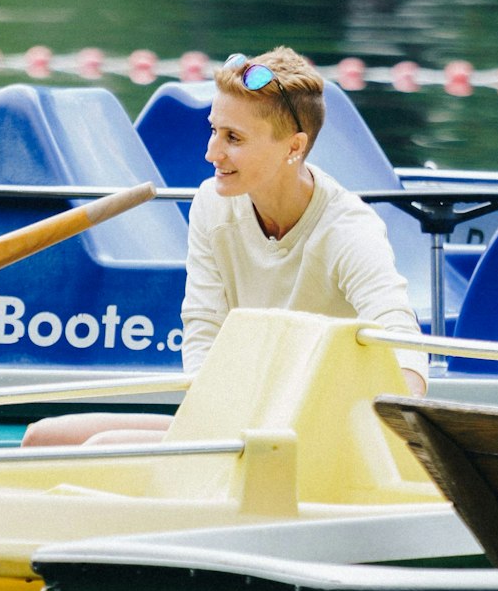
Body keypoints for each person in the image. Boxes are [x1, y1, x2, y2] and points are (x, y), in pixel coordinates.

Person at [22, 47, 426, 446]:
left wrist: (392, 434)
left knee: (103, 449)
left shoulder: (348, 229)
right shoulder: (212, 204)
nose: (211, 153)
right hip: (238, 418)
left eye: (233, 137)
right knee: (42, 438)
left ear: (293, 147)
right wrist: (212, 419)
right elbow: (203, 329)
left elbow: (403, 341)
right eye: (214, 130)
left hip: (318, 437)